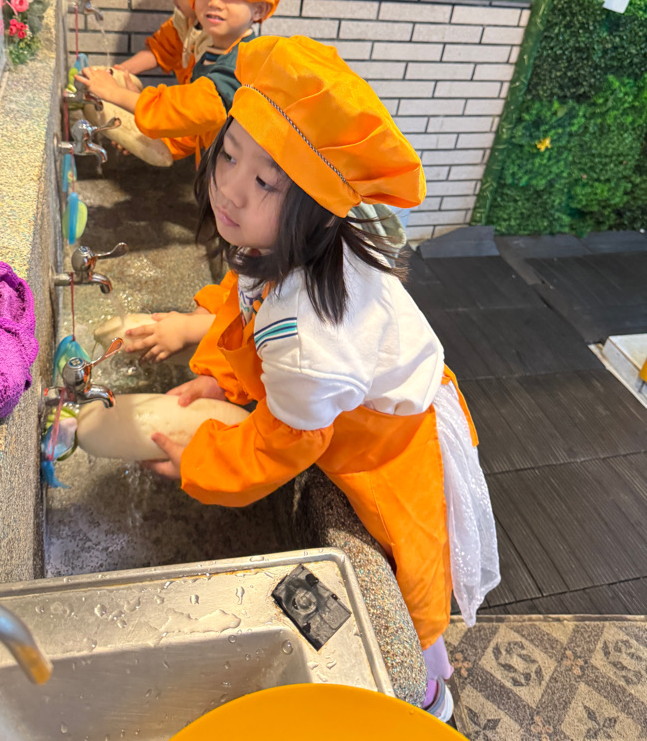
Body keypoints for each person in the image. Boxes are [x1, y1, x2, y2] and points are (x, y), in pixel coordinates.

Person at [143, 35, 500, 721]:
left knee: (407, 573)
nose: (230, 188)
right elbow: (243, 310)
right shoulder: (286, 245)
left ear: (311, 204)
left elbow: (288, 442)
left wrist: (202, 462)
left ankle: (427, 692)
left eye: (266, 182)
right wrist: (222, 381)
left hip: (392, 443)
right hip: (352, 404)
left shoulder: (311, 336)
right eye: (229, 154)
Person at [77, 0, 285, 164]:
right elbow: (195, 122)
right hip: (216, 169)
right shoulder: (214, 50)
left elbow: (190, 109)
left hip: (240, 178)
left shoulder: (243, 63)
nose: (215, 2)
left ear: (259, 10)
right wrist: (145, 124)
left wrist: (115, 93)